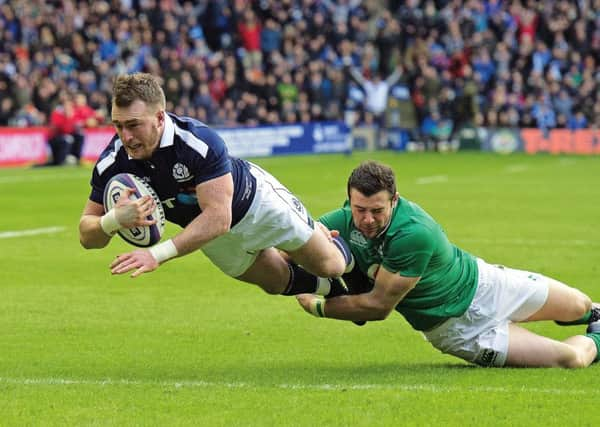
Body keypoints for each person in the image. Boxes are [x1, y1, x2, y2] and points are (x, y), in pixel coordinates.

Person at [296, 160, 600, 368]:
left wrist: (316, 305)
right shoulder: (344, 220)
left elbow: (377, 307)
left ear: (394, 200)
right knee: (570, 360)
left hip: (485, 283)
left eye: (377, 210)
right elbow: (298, 238)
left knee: (579, 303)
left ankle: (594, 316)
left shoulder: (413, 233)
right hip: (458, 330)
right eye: (360, 209)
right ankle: (597, 337)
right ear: (349, 201)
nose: (367, 220)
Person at [79, 73, 352, 300]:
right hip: (206, 233)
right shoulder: (112, 163)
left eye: (134, 125)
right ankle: (333, 292)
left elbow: (219, 217)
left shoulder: (198, 142)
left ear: (160, 118)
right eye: (118, 125)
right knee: (275, 283)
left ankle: (347, 249)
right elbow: (87, 236)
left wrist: (156, 254)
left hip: (255, 205)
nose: (125, 136)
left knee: (330, 265)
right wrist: (114, 219)